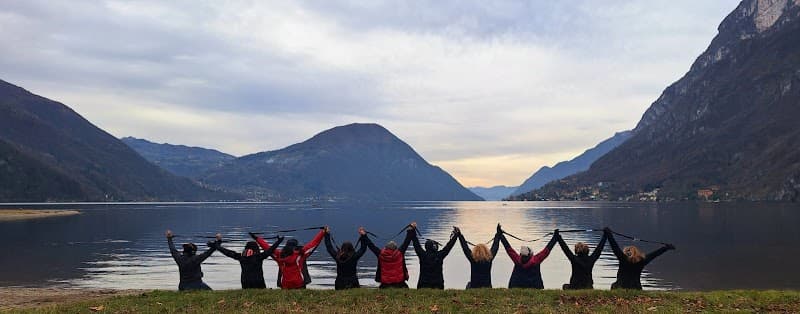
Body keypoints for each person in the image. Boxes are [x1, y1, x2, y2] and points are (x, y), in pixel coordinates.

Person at [251, 227, 326, 289]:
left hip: (285, 284)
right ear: (295, 246)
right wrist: (322, 232)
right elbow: (313, 243)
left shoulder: (279, 255)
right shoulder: (300, 254)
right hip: (299, 283)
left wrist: (257, 238)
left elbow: (268, 248)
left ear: (286, 246)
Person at [604, 227, 675, 290]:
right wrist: (666, 248)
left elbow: (614, 247)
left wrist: (609, 234)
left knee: (614, 285)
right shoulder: (642, 260)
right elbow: (655, 254)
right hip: (636, 288)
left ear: (625, 252)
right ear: (637, 252)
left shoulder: (623, 258)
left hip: (620, 287)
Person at [212, 235, 283, 289]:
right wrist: (278, 241)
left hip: (245, 283)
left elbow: (227, 252)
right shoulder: (259, 257)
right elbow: (270, 250)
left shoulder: (240, 257)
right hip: (258, 283)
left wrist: (217, 246)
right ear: (256, 249)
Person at [408, 223, 459, 289]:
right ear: (435, 247)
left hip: (423, 285)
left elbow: (416, 243)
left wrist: (412, 230)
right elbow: (449, 246)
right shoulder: (440, 255)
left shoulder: (422, 255)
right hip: (438, 285)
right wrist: (456, 235)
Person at [364, 224, 414, 288]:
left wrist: (364, 236)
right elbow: (406, 241)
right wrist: (410, 230)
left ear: (386, 248)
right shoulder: (400, 253)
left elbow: (371, 246)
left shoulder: (380, 254)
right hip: (399, 283)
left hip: (385, 284)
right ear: (396, 248)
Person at [456, 224, 501, 289]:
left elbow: (465, 248)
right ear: (486, 251)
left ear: (475, 251)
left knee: (468, 284)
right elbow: (495, 246)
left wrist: (460, 235)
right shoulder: (489, 259)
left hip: (474, 287)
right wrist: (498, 234)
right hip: (487, 286)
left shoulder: (473, 259)